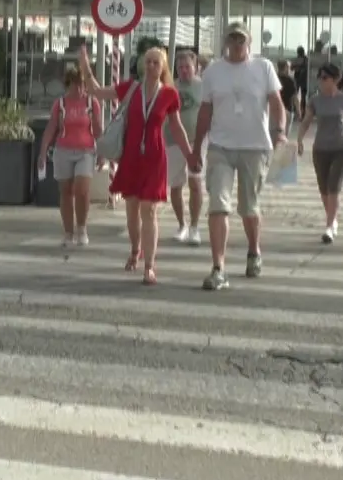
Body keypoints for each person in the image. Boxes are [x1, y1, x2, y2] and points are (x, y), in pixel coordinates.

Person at [79, 44, 197, 286]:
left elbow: (176, 127)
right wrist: (85, 65)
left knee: (149, 210)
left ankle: (150, 266)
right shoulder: (132, 89)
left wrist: (190, 154)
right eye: (148, 61)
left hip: (154, 157)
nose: (151, 65)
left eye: (156, 62)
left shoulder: (169, 94)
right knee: (132, 210)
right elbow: (96, 91)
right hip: (132, 157)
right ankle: (135, 250)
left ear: (164, 66)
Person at [191, 23, 288, 291]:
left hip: (254, 146)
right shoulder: (212, 71)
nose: (236, 44)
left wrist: (279, 132)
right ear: (225, 42)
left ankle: (254, 251)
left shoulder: (263, 67)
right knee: (218, 204)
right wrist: (196, 148)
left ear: (249, 42)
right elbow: (204, 112)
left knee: (248, 207)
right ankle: (218, 267)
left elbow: (277, 103)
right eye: (232, 39)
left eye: (241, 39)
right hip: (220, 146)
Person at [296, 63, 343, 244]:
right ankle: (333, 220)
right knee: (324, 189)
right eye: (320, 77)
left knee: (334, 187)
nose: (321, 80)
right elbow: (306, 121)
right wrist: (299, 139)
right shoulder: (315, 100)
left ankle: (329, 225)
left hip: (341, 149)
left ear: (336, 80)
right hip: (320, 149)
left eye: (325, 77)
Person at [36, 66, 101, 247]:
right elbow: (51, 128)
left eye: (82, 85)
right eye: (76, 85)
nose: (80, 89)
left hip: (86, 151)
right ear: (68, 84)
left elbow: (97, 128)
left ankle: (82, 228)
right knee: (65, 192)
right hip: (63, 150)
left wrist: (102, 151)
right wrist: (42, 152)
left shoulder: (91, 102)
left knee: (82, 188)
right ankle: (68, 232)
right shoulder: (61, 104)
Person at [168, 51, 206, 246]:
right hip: (173, 141)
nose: (183, 71)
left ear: (196, 67)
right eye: (180, 67)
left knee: (195, 182)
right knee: (175, 185)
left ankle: (194, 227)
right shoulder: (170, 87)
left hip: (196, 141)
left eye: (187, 67)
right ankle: (181, 225)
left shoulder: (204, 87)